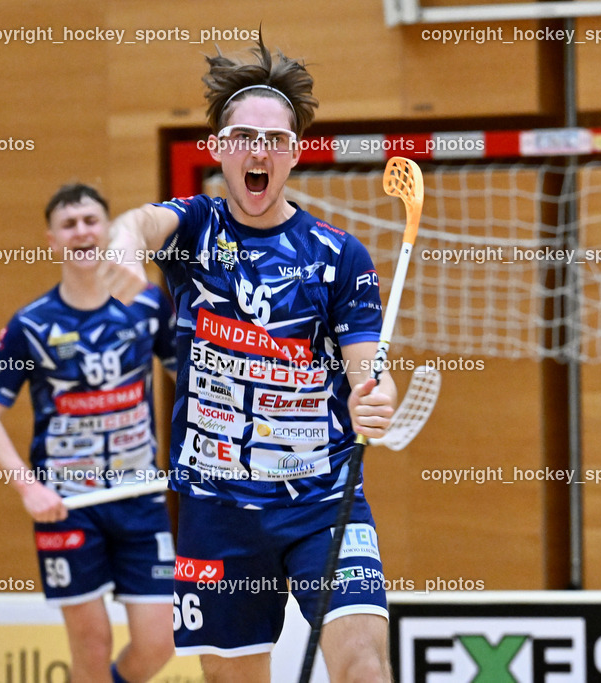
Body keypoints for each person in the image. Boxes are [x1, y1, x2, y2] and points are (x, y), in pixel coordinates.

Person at [98, 37, 397, 683]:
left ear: (293, 153)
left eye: (275, 140)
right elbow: (137, 225)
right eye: (242, 137)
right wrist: (122, 246)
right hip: (216, 511)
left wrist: (375, 395)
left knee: (364, 666)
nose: (258, 150)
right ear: (219, 150)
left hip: (324, 498)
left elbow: (367, 368)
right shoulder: (195, 229)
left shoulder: (338, 255)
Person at [0, 183, 177, 683]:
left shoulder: (148, 306)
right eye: (69, 224)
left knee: (161, 640)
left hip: (140, 497)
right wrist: (28, 487)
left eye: (90, 221)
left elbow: (191, 379)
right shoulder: (31, 325)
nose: (81, 232)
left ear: (108, 230)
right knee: (90, 643)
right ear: (52, 240)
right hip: (67, 505)